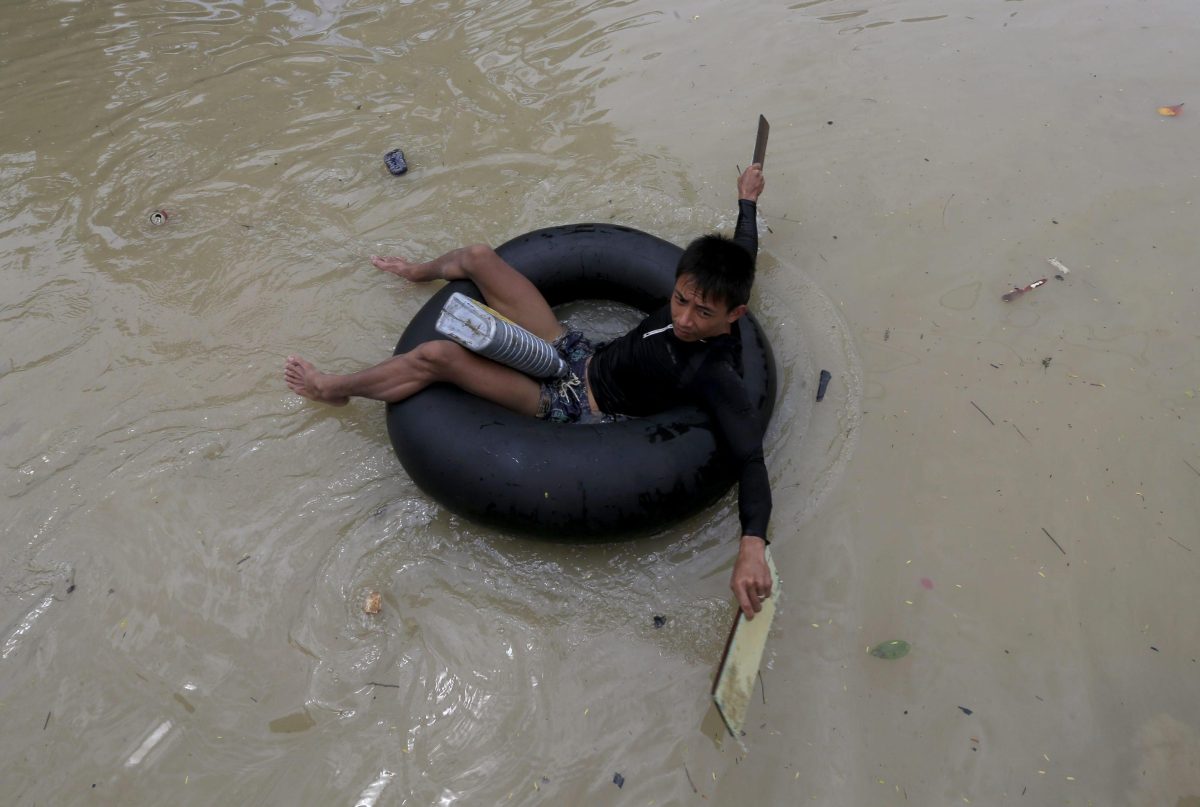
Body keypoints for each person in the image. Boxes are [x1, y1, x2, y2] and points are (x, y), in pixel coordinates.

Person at [286, 165, 773, 618]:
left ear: (734, 314)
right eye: (680, 300)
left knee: (439, 357)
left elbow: (750, 456)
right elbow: (740, 254)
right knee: (479, 257)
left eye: (703, 313)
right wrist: (746, 200)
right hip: (582, 353)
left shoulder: (715, 371)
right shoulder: (707, 287)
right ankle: (416, 272)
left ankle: (333, 388)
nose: (685, 319)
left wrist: (752, 544)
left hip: (574, 404)